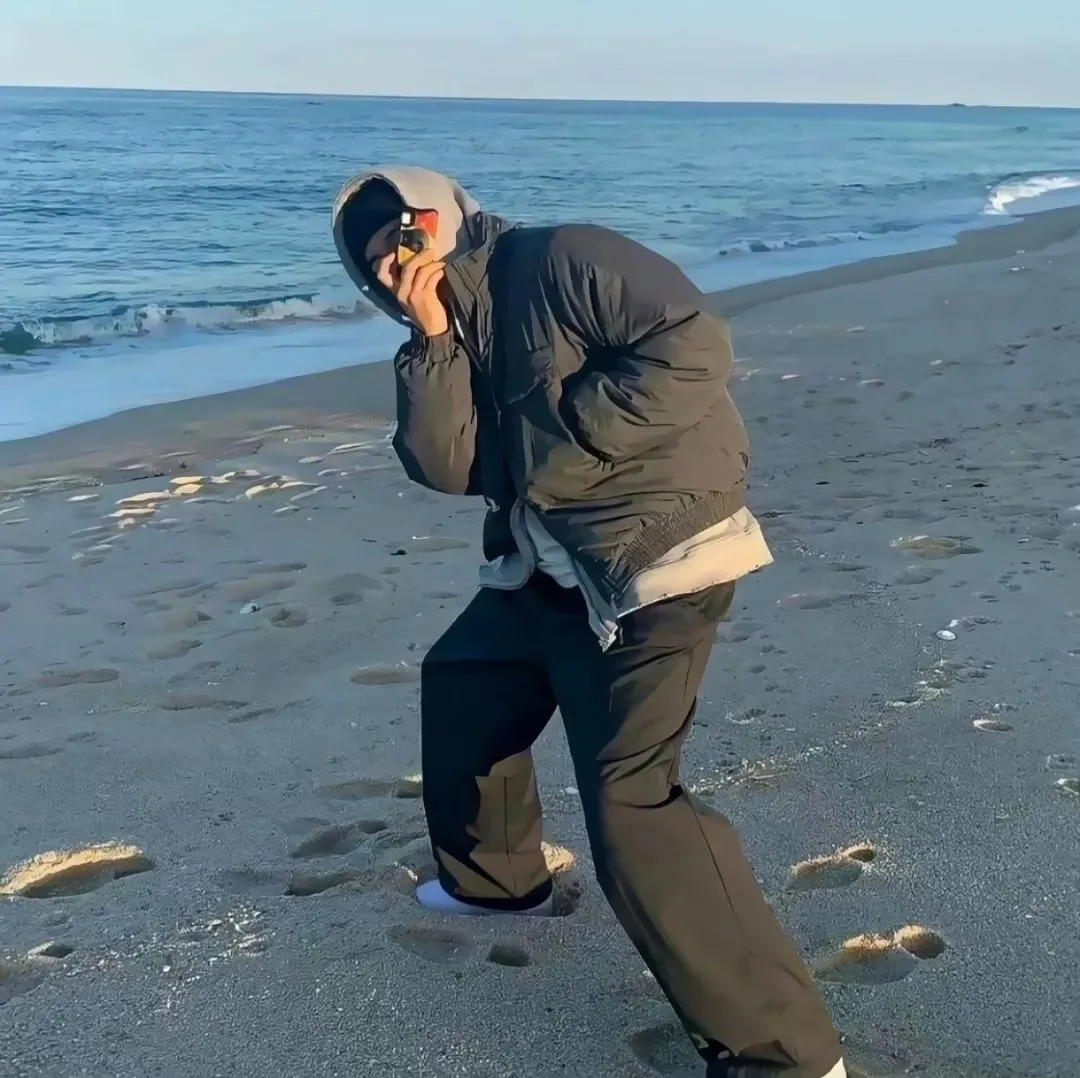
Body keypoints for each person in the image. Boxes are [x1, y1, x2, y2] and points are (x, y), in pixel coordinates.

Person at [331, 166, 846, 1078]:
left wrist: (567, 445)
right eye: (375, 260)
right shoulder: (439, 330)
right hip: (549, 561)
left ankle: (790, 1057)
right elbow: (447, 467)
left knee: (631, 805)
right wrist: (433, 340)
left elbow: (693, 345)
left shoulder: (561, 257)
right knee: (466, 682)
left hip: (661, 555)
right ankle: (498, 886)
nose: (395, 261)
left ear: (445, 217)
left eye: (405, 233)